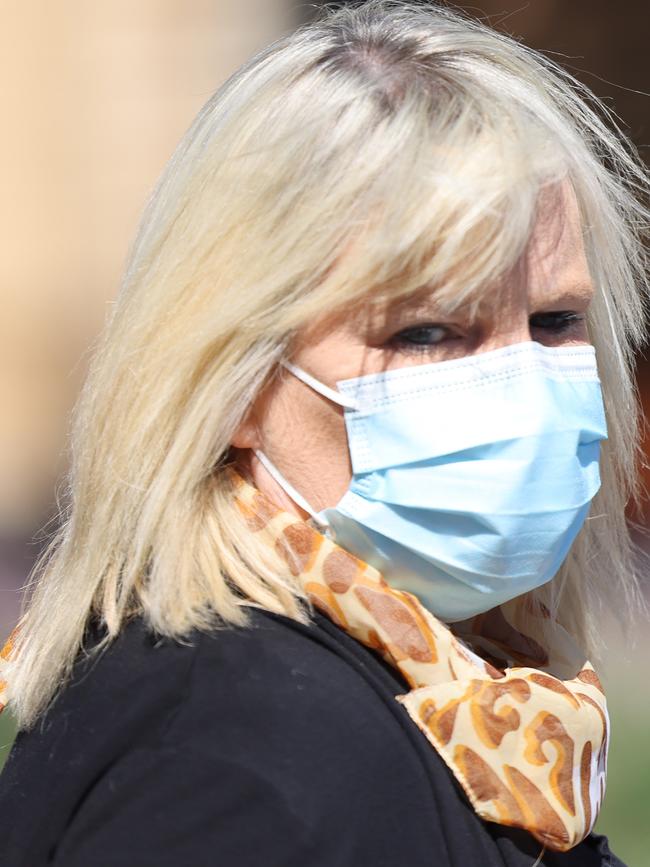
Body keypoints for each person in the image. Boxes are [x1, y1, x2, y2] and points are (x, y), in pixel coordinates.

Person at [0, 1, 647, 864]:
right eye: (426, 331)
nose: (521, 381)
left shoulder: (445, 696)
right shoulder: (239, 763)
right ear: (234, 384)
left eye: (557, 320)